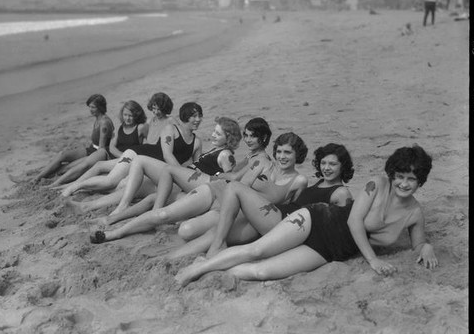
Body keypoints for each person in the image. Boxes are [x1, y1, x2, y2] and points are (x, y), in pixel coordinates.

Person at [175, 144, 438, 287]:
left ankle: (211, 273)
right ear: (392, 174)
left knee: (261, 272)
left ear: (420, 181)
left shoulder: (415, 213)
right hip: (318, 220)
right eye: (400, 177)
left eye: (411, 179)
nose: (404, 184)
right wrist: (373, 261)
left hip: (333, 250)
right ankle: (200, 267)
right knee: (256, 251)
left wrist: (425, 247)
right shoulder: (377, 185)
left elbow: (419, 243)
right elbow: (354, 220)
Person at [89, 123, 308, 244]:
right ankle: (113, 233)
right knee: (163, 213)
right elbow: (239, 182)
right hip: (213, 192)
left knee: (183, 227)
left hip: (228, 206)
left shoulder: (287, 174)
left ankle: (116, 216)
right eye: (280, 151)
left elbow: (282, 206)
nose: (282, 156)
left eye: (287, 153)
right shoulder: (263, 164)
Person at [168, 143, 354, 260]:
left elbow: (340, 226)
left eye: (333, 164)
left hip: (282, 222)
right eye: (324, 163)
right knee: (216, 232)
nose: (327, 168)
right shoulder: (318, 183)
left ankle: (217, 248)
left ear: (343, 167)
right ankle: (169, 259)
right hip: (274, 216)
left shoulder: (341, 192)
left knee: (234, 188)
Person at [66, 116, 241, 217]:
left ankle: (122, 207)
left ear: (229, 137)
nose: (213, 135)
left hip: (185, 185)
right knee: (138, 188)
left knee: (140, 160)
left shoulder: (226, 155)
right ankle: (87, 206)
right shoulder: (216, 150)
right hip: (181, 179)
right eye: (214, 131)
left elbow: (228, 183)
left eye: (218, 133)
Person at [61, 98, 200, 199]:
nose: (198, 120)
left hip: (147, 163)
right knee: (110, 181)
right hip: (137, 154)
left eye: (200, 116)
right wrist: (183, 176)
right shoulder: (171, 129)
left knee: (115, 182)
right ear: (184, 118)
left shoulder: (197, 142)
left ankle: (79, 186)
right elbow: (167, 155)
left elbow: (197, 165)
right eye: (194, 117)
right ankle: (74, 186)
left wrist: (196, 177)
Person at [48, 100, 148, 187]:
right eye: (125, 115)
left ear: (137, 115)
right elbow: (112, 146)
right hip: (109, 153)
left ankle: (67, 181)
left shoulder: (141, 128)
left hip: (123, 160)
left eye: (130, 115)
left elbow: (149, 146)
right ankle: (57, 182)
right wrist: (122, 156)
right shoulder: (122, 126)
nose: (127, 118)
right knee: (85, 165)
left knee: (89, 166)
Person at [32, 94, 114, 183]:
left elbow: (101, 150)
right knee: (62, 154)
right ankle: (39, 176)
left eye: (93, 107)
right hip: (92, 148)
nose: (90, 110)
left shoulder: (104, 123)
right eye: (89, 107)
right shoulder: (98, 118)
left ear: (100, 107)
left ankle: (39, 178)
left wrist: (85, 159)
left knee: (68, 167)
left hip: (97, 153)